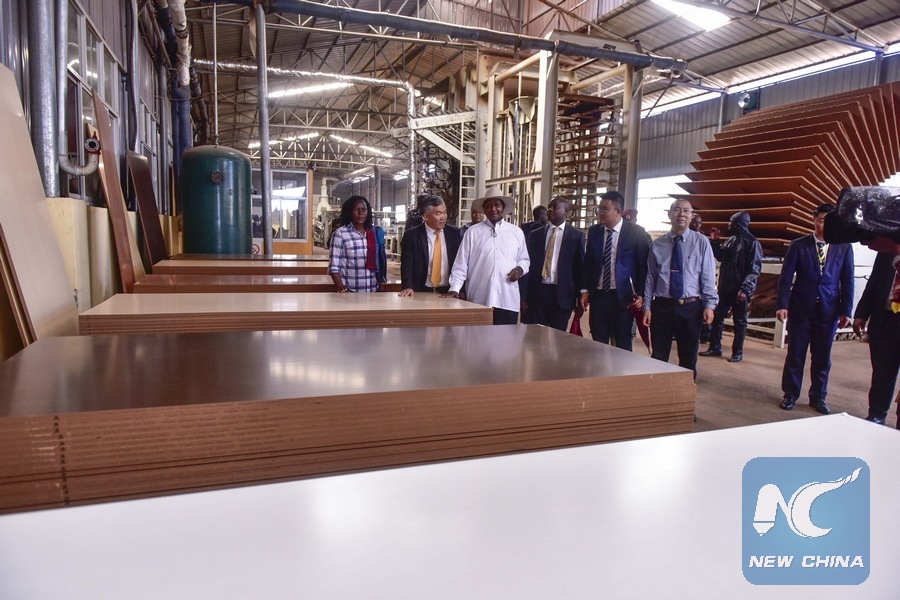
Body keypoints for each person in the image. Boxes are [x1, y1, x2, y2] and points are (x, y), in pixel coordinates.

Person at [776, 204, 854, 415]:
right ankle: (790, 394)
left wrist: (846, 310)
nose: (824, 225)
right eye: (821, 220)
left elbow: (848, 280)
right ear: (814, 219)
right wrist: (782, 305)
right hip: (801, 308)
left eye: (830, 221)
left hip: (829, 311)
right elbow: (785, 279)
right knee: (796, 354)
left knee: (822, 357)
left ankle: (818, 397)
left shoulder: (844, 247)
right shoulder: (798, 245)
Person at [643, 199, 718, 378]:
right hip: (662, 307)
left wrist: (709, 305)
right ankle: (659, 390)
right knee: (659, 356)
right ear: (670, 214)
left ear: (691, 216)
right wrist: (647, 306)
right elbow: (650, 278)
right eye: (677, 210)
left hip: (691, 308)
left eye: (686, 211)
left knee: (688, 357)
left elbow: (707, 275)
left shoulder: (701, 242)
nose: (681, 214)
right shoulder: (657, 245)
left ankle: (686, 391)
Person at [446, 186, 529, 325]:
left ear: (503, 207)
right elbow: (461, 264)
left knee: (506, 337)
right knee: (476, 337)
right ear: (484, 209)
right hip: (479, 299)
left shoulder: (516, 232)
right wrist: (454, 288)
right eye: (489, 206)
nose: (493, 209)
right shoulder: (472, 232)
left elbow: (524, 259)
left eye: (497, 205)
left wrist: (520, 269)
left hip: (507, 299)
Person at [580, 191, 650, 350]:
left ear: (618, 211)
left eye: (604, 209)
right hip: (599, 296)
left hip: (623, 298)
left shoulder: (636, 233)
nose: (600, 213)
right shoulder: (595, 231)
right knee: (598, 343)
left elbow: (642, 266)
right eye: (599, 209)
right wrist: (584, 290)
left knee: (623, 343)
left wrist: (641, 294)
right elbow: (589, 263)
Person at [699, 212, 763, 362]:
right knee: (717, 317)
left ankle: (737, 353)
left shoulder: (752, 242)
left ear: (738, 225)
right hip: (725, 288)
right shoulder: (731, 240)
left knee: (739, 322)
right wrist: (715, 241)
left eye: (731, 222)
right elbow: (721, 256)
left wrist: (745, 289)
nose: (728, 225)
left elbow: (754, 270)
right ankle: (715, 347)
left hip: (740, 291)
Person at [523, 196, 585, 330]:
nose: (550, 210)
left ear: (566, 212)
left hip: (562, 295)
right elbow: (528, 265)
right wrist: (524, 295)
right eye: (549, 207)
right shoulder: (535, 234)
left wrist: (579, 296)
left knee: (558, 336)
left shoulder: (576, 236)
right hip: (538, 292)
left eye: (555, 207)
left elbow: (579, 269)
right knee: (536, 334)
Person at [398, 195, 462, 296]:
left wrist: (458, 289)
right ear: (426, 216)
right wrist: (408, 287)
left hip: (448, 292)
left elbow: (461, 263)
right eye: (438, 213)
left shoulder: (454, 233)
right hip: (421, 291)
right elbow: (407, 265)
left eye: (445, 212)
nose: (443, 217)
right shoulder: (412, 236)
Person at [328, 195, 387, 292]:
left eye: (364, 209)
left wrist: (382, 281)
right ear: (350, 212)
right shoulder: (340, 233)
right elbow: (334, 267)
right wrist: (341, 288)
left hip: (373, 291)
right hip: (350, 292)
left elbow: (381, 261)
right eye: (356, 209)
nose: (361, 213)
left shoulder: (374, 232)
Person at [690, 213, 711, 344]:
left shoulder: (703, 240)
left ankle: (705, 335)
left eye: (699, 222)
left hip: (698, 287)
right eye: (695, 222)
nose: (697, 225)